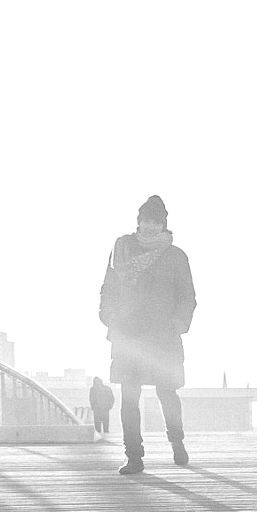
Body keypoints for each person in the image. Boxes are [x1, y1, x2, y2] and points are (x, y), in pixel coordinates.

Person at [100, 194, 196, 474]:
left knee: (168, 393)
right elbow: (108, 288)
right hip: (128, 336)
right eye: (146, 220)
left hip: (163, 337)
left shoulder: (175, 256)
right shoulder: (122, 249)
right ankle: (134, 457)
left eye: (156, 222)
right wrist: (109, 316)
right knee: (129, 398)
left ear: (163, 225)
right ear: (138, 221)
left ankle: (177, 443)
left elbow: (187, 295)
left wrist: (178, 323)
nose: (150, 226)